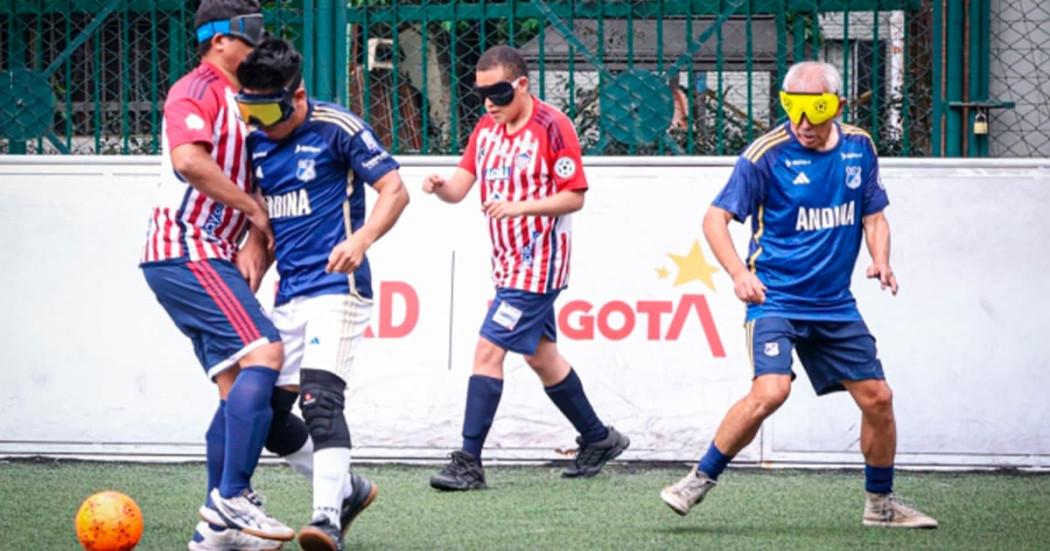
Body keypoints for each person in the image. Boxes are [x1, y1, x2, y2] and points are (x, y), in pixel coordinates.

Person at [659, 61, 938, 529]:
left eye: (817, 111)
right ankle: (699, 479)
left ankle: (880, 505)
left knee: (878, 399)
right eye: (794, 111)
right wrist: (736, 274)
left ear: (838, 106)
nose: (804, 124)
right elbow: (714, 220)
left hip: (834, 304)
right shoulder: (765, 154)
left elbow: (874, 216)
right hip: (776, 298)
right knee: (772, 390)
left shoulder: (859, 148)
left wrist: (881, 258)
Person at [422, 45, 629, 491]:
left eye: (497, 92)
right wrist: (441, 187)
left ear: (521, 84)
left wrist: (520, 208)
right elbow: (462, 186)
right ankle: (598, 438)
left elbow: (574, 195)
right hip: (506, 264)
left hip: (538, 266)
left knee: (486, 351)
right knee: (541, 356)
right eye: (481, 94)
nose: (489, 103)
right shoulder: (486, 127)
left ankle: (468, 462)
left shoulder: (554, 126)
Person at [236, 38, 409, 550]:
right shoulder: (257, 144)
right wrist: (254, 254)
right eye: (251, 110)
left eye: (268, 109)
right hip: (289, 295)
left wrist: (362, 238)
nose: (260, 122)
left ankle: (326, 518)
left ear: (299, 94)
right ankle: (348, 488)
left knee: (320, 400)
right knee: (263, 413)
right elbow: (266, 220)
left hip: (339, 288)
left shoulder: (338, 127)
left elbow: (394, 189)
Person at [139, 1, 296, 549]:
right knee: (265, 354)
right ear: (218, 39)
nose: (258, 43)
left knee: (234, 389)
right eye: (249, 33)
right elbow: (189, 160)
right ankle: (232, 496)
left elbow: (258, 184)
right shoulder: (196, 88)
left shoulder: (245, 100)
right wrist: (253, 214)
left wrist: (256, 236)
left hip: (209, 255)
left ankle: (214, 531)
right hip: (185, 250)